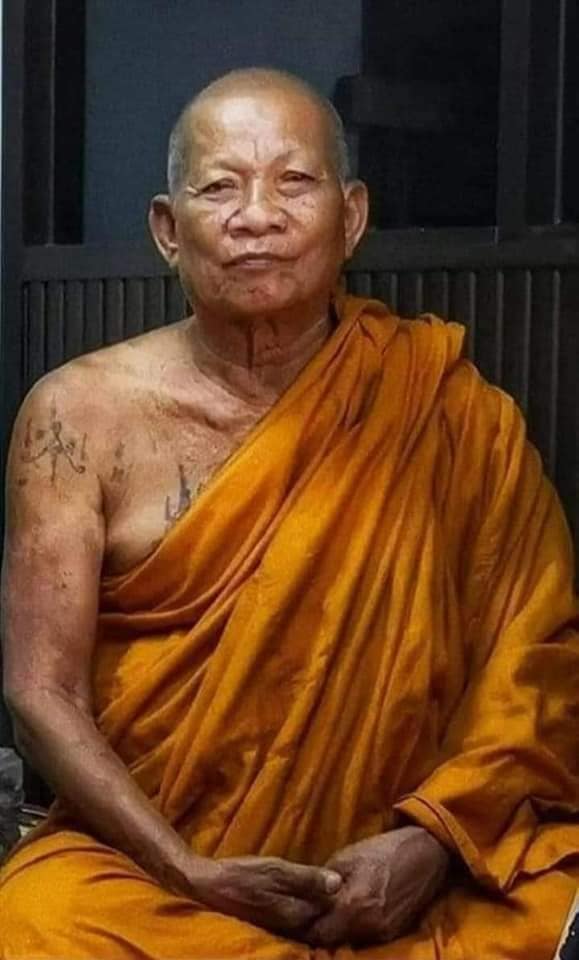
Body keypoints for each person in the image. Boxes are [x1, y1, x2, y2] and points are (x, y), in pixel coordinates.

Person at [0, 67, 578, 960]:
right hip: (156, 868)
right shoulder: (77, 416)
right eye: (219, 187)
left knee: (551, 901)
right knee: (33, 923)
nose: (256, 216)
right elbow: (41, 692)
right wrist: (186, 868)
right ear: (167, 229)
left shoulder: (449, 413)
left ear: (351, 217)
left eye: (293, 181)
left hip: (398, 868)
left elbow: (534, 664)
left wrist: (433, 839)